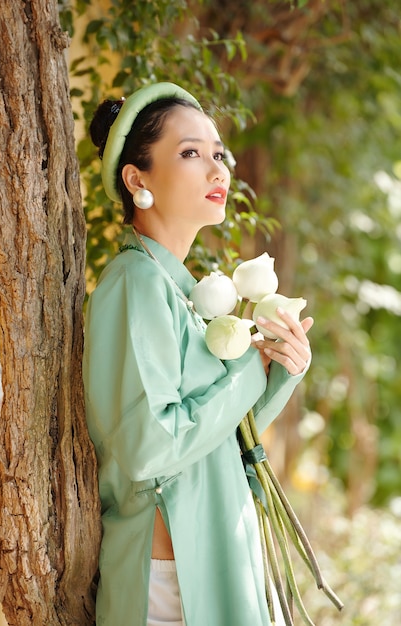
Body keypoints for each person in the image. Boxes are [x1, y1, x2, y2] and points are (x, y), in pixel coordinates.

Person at [82, 82, 313, 626]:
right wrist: (248, 374)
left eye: (218, 153)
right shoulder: (134, 282)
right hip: (172, 579)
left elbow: (219, 437)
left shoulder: (183, 289)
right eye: (190, 153)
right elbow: (150, 445)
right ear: (137, 179)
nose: (217, 170)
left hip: (214, 554)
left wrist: (280, 369)